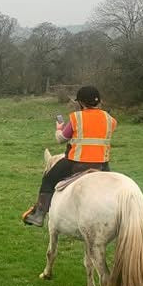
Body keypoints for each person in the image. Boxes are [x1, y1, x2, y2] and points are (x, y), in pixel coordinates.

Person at [22, 85, 117, 227]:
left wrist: (59, 128)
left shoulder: (76, 118)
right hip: (102, 164)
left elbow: (61, 139)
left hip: (76, 163)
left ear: (81, 103)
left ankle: (39, 214)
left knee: (48, 179)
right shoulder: (111, 120)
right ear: (98, 101)